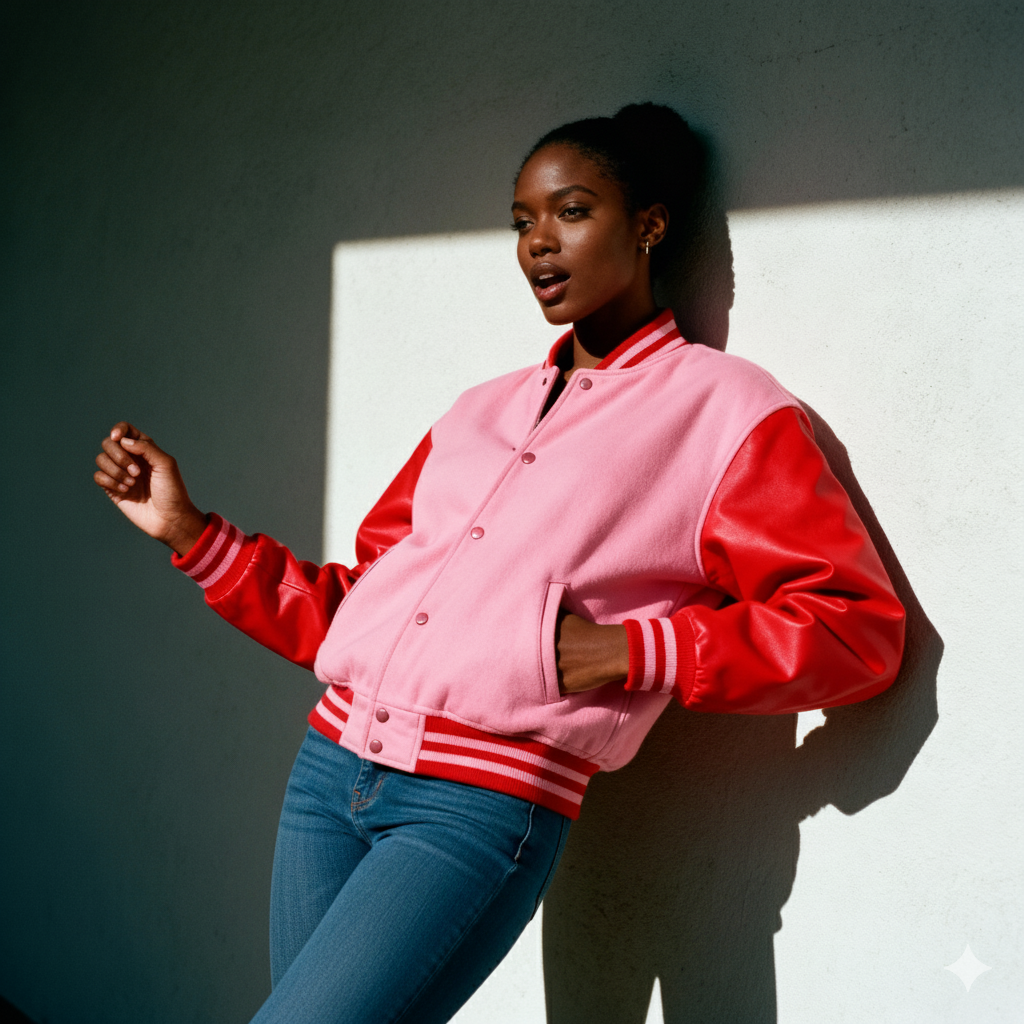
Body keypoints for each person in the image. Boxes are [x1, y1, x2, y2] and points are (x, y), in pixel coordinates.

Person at [93, 103, 906, 1024]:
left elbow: (852, 628)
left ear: (648, 224)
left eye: (571, 211)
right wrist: (194, 534)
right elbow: (365, 610)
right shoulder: (479, 411)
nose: (538, 245)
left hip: (475, 807)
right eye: (522, 221)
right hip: (325, 778)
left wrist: (632, 652)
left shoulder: (727, 411)